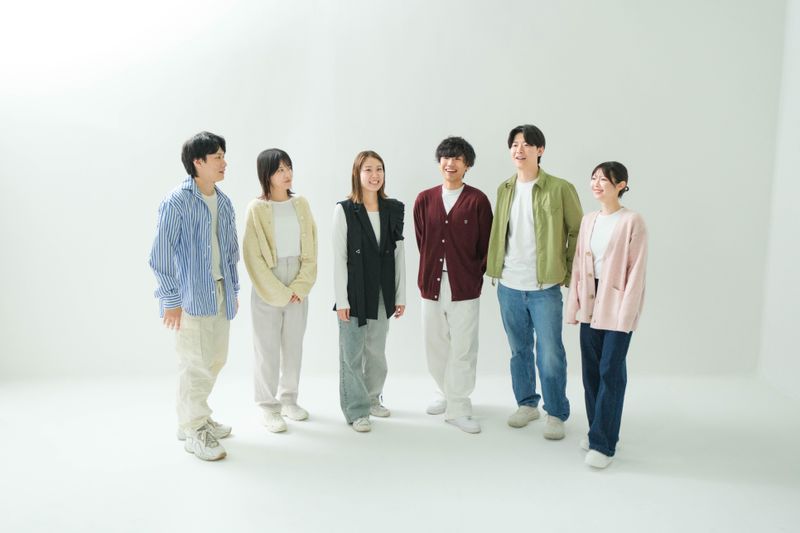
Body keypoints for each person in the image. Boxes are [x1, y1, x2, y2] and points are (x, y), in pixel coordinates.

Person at [486, 124, 583, 440]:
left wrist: (566, 272)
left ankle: (556, 412)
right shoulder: (504, 188)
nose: (520, 149)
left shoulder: (560, 188)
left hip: (544, 288)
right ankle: (527, 404)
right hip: (509, 286)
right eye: (515, 144)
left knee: (551, 353)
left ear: (540, 150)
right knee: (519, 350)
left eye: (527, 144)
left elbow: (577, 231)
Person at [148, 131, 239, 461]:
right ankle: (193, 427)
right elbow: (160, 254)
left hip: (220, 292)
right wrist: (171, 300)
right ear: (198, 162)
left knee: (215, 359)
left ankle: (192, 418)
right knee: (194, 363)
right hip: (190, 297)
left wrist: (234, 290)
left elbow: (230, 252)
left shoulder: (224, 202)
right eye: (217, 157)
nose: (224, 163)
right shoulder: (177, 201)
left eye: (223, 156)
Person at [566, 161, 647, 469]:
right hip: (590, 301)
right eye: (594, 179)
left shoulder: (632, 221)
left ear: (621, 185)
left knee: (610, 371)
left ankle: (604, 444)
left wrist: (627, 315)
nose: (597, 184)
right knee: (590, 372)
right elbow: (578, 265)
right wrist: (574, 306)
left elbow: (636, 272)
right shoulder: (589, 220)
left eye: (604, 180)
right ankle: (597, 431)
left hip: (617, 303)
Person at [414, 136, 492, 434]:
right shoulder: (424, 199)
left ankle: (459, 405)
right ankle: (444, 392)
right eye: (446, 157)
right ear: (440, 162)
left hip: (464, 286)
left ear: (467, 165)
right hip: (431, 284)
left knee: (463, 347)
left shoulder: (477, 201)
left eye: (458, 158)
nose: (451, 163)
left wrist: (472, 274)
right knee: (434, 343)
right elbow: (423, 240)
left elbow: (485, 245)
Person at [243, 149, 317, 433]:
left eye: (288, 167)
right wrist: (280, 292)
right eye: (279, 170)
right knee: (267, 349)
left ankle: (289, 400)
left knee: (293, 347)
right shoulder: (256, 208)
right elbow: (253, 257)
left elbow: (311, 248)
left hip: (297, 279)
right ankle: (267, 406)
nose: (287, 174)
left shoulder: (301, 204)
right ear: (266, 175)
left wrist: (300, 286)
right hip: (268, 282)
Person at [333, 150, 406, 433]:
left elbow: (399, 255)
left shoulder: (393, 209)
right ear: (357, 174)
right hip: (354, 294)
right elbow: (339, 258)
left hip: (382, 292)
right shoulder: (344, 210)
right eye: (368, 170)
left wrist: (400, 296)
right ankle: (356, 410)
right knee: (351, 354)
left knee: (376, 352)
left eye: (379, 169)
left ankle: (373, 398)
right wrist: (342, 300)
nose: (375, 175)